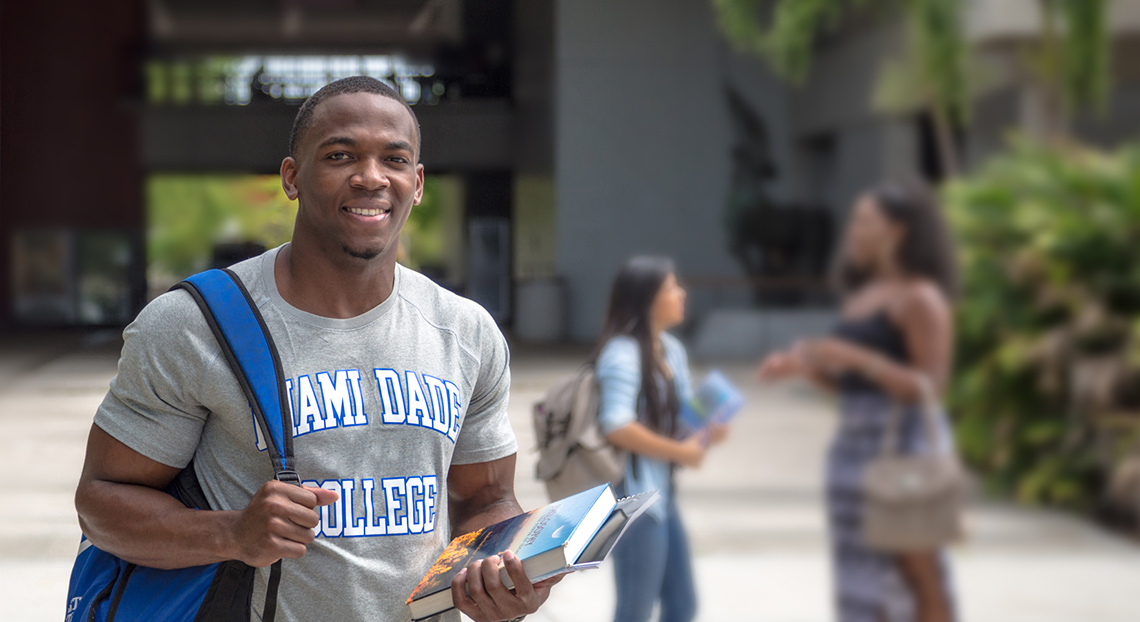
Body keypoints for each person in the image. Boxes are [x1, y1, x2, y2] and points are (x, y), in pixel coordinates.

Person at [74, 76, 558, 622]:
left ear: (417, 183)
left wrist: (507, 571)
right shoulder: (193, 325)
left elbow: (486, 499)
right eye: (340, 155)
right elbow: (101, 501)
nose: (371, 177)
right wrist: (231, 533)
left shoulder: (465, 333)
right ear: (292, 177)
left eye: (394, 160)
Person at [758, 181, 958, 622]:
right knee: (867, 583)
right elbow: (853, 389)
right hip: (853, 449)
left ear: (899, 230)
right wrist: (806, 369)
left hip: (905, 449)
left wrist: (854, 357)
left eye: (866, 222)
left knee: (918, 575)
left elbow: (930, 386)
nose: (854, 232)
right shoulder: (863, 298)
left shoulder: (920, 297)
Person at [593, 256, 728, 622]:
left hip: (662, 495)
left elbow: (682, 419)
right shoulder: (622, 353)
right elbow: (616, 425)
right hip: (634, 501)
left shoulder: (671, 350)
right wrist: (680, 451)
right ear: (646, 297)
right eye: (671, 287)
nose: (681, 293)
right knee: (635, 611)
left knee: (681, 604)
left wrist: (706, 430)